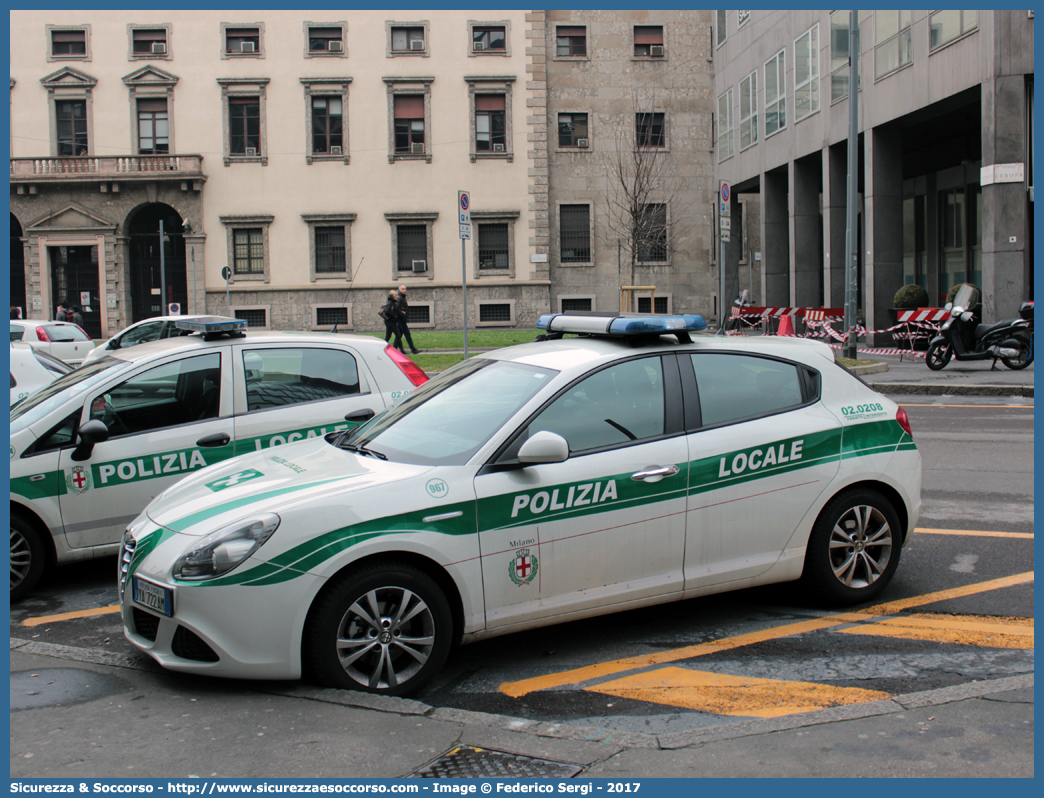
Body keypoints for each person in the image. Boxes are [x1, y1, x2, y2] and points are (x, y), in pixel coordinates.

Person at [396, 285, 421, 354]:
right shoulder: (399, 297)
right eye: (403, 289)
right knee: (407, 333)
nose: (404, 290)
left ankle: (394, 349)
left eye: (405, 289)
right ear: (399, 290)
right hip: (401, 318)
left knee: (399, 335)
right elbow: (396, 307)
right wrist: (401, 313)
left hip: (401, 318)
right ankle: (413, 349)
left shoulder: (401, 297)